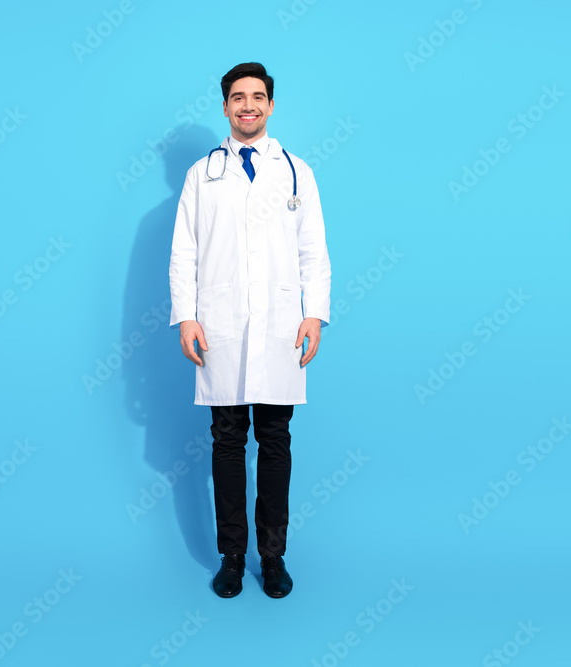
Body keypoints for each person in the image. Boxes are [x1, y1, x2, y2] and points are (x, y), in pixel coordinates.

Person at [168, 62, 332, 599]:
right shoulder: (202, 175)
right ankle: (233, 557)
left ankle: (274, 556)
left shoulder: (296, 172)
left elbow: (314, 250)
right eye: (238, 97)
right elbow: (184, 251)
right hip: (220, 326)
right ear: (225, 107)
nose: (248, 106)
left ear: (271, 105)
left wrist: (314, 313)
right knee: (227, 441)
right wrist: (187, 315)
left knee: (276, 441)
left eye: (257, 97)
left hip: (281, 326)